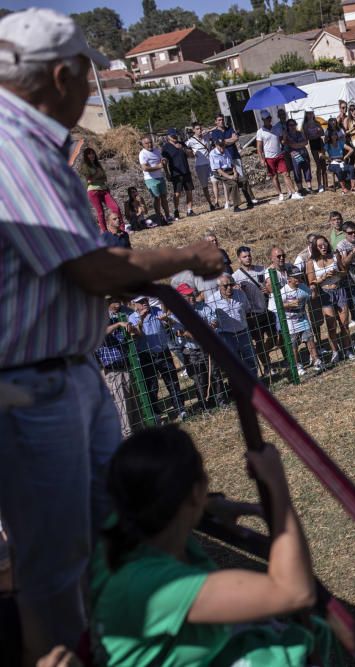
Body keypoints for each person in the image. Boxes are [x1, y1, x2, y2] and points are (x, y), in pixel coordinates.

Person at [0, 10, 225, 660]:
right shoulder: (12, 144)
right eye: (87, 77)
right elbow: (91, 264)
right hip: (30, 386)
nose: (90, 91)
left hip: (65, 372)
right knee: (56, 570)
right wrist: (189, 254)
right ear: (63, 74)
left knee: (115, 527)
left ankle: (129, 647)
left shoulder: (31, 141)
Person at [90, 427, 334, 665]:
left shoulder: (121, 533)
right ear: (194, 492)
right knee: (289, 644)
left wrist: (210, 505)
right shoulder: (161, 587)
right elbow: (295, 592)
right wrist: (277, 485)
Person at [127, 297, 187, 422]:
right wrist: (142, 319)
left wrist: (167, 319)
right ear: (134, 304)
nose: (145, 303)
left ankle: (181, 409)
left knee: (172, 381)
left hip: (163, 352)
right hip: (146, 355)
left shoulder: (157, 310)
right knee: (152, 386)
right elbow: (137, 335)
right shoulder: (132, 318)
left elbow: (176, 324)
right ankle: (155, 414)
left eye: (146, 301)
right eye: (141, 302)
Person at [95, 297, 138, 439]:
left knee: (132, 402)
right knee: (122, 405)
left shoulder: (116, 322)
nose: (118, 305)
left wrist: (130, 328)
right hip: (112, 371)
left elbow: (130, 337)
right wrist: (119, 323)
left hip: (125, 366)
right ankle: (127, 435)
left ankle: (136, 431)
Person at [305, 235, 353, 361]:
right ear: (315, 248)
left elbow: (344, 272)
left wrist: (337, 273)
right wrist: (323, 277)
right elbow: (311, 282)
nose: (323, 247)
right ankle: (335, 352)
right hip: (325, 294)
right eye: (320, 245)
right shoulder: (311, 262)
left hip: (339, 290)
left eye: (325, 244)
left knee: (344, 324)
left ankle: (347, 349)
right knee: (331, 326)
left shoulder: (335, 256)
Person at [233, 246, 277, 378]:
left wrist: (267, 289)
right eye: (244, 257)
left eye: (249, 255)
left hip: (267, 308)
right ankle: (267, 365)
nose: (248, 258)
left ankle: (265, 355)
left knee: (274, 337)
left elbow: (268, 284)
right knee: (259, 340)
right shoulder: (236, 276)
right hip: (252, 314)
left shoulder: (261, 269)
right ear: (239, 259)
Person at [204, 275, 258, 377]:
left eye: (231, 284)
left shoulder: (241, 295)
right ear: (219, 286)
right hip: (226, 335)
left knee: (250, 359)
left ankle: (255, 384)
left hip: (243, 332)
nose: (229, 287)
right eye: (225, 286)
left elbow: (247, 309)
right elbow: (209, 318)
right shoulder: (211, 300)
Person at [207, 114, 256, 208]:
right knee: (229, 182)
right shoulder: (214, 133)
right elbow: (219, 143)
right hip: (223, 160)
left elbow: (236, 138)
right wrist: (229, 140)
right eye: (219, 120)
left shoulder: (229, 128)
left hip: (234, 155)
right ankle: (229, 201)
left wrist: (226, 141)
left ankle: (250, 198)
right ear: (215, 122)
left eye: (222, 119)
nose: (221, 121)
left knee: (241, 177)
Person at [257, 110, 299, 201]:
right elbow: (259, 147)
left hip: (279, 155)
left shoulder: (277, 128)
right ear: (263, 120)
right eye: (265, 119)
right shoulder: (260, 132)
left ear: (271, 119)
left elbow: (282, 141)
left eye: (268, 118)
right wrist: (261, 159)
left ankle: (294, 192)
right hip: (269, 157)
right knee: (274, 176)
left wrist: (283, 136)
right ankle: (280, 194)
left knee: (286, 174)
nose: (267, 120)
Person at [78, 146, 121, 233]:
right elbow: (88, 180)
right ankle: (105, 232)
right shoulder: (85, 166)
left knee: (115, 208)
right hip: (93, 191)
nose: (91, 155)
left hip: (104, 189)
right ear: (86, 156)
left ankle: (121, 228)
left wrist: (96, 178)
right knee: (100, 212)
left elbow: (104, 178)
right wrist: (97, 178)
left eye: (92, 153)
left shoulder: (98, 164)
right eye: (89, 154)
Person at [139, 135, 171, 223]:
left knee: (164, 197)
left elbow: (162, 162)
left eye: (150, 142)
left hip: (160, 176)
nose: (149, 145)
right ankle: (159, 217)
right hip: (150, 178)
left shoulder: (157, 150)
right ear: (143, 145)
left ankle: (168, 216)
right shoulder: (143, 154)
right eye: (147, 143)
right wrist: (158, 167)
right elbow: (145, 168)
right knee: (157, 198)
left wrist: (167, 172)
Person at [209, 139, 242, 211]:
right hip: (219, 172)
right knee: (233, 184)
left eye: (223, 145)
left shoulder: (226, 151)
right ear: (216, 145)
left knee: (244, 180)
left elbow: (231, 163)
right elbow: (218, 170)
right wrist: (230, 177)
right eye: (220, 146)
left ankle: (250, 200)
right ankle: (236, 206)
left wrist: (235, 172)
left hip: (229, 169)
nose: (222, 148)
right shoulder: (213, 153)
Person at [283, 118, 314, 193]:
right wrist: (300, 145)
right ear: (287, 126)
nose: (292, 126)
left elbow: (306, 142)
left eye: (294, 124)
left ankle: (309, 187)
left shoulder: (300, 133)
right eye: (290, 125)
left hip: (303, 153)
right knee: (297, 171)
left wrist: (297, 145)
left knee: (307, 169)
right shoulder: (287, 135)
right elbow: (290, 144)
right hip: (295, 154)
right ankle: (300, 188)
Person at [303, 110, 328, 193]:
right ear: (306, 115)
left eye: (311, 113)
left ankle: (325, 184)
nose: (310, 115)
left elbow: (322, 133)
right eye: (308, 113)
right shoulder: (305, 125)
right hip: (313, 144)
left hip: (320, 143)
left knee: (323, 163)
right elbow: (307, 137)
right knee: (318, 165)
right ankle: (320, 185)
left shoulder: (317, 122)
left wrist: (319, 131)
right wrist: (314, 134)